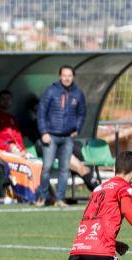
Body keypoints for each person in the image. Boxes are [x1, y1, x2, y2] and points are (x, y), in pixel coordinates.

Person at [21, 94, 99, 194]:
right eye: (36, 109)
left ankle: (98, 190)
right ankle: (99, 191)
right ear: (34, 111)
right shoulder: (33, 126)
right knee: (81, 168)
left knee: (83, 169)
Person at [37, 66, 87, 208]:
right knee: (46, 168)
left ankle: (60, 199)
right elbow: (41, 112)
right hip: (50, 136)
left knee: (64, 169)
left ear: (73, 77)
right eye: (64, 75)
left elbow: (82, 113)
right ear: (60, 76)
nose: (67, 78)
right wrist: (44, 132)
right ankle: (43, 197)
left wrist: (77, 128)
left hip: (67, 138)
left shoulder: (78, 93)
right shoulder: (51, 91)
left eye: (69, 75)